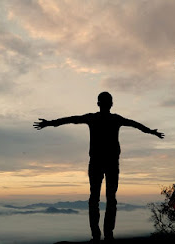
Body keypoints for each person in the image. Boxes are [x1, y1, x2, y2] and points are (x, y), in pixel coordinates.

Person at [33, 92, 164, 243]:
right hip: (110, 163)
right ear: (111, 104)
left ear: (98, 103)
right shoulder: (115, 119)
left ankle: (98, 236)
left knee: (95, 198)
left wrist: (50, 123)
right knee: (109, 199)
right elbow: (135, 124)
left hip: (98, 162)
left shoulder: (94, 118)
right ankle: (107, 235)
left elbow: (71, 119)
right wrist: (151, 132)